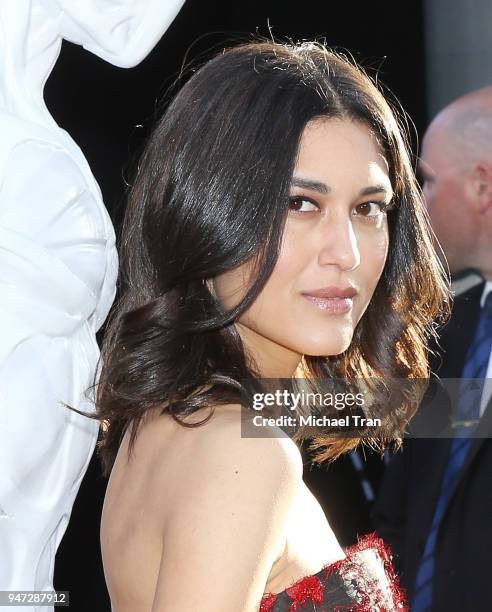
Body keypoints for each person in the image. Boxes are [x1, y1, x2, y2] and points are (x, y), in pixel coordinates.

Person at [77, 40, 448, 611]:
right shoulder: (242, 453)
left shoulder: (171, 423)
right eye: (302, 204)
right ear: (208, 213)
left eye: (369, 207)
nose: (345, 252)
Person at [373, 86, 492, 612]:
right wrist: (248, 405)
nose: (416, 203)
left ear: (482, 186)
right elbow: (351, 410)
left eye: (427, 180)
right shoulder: (446, 332)